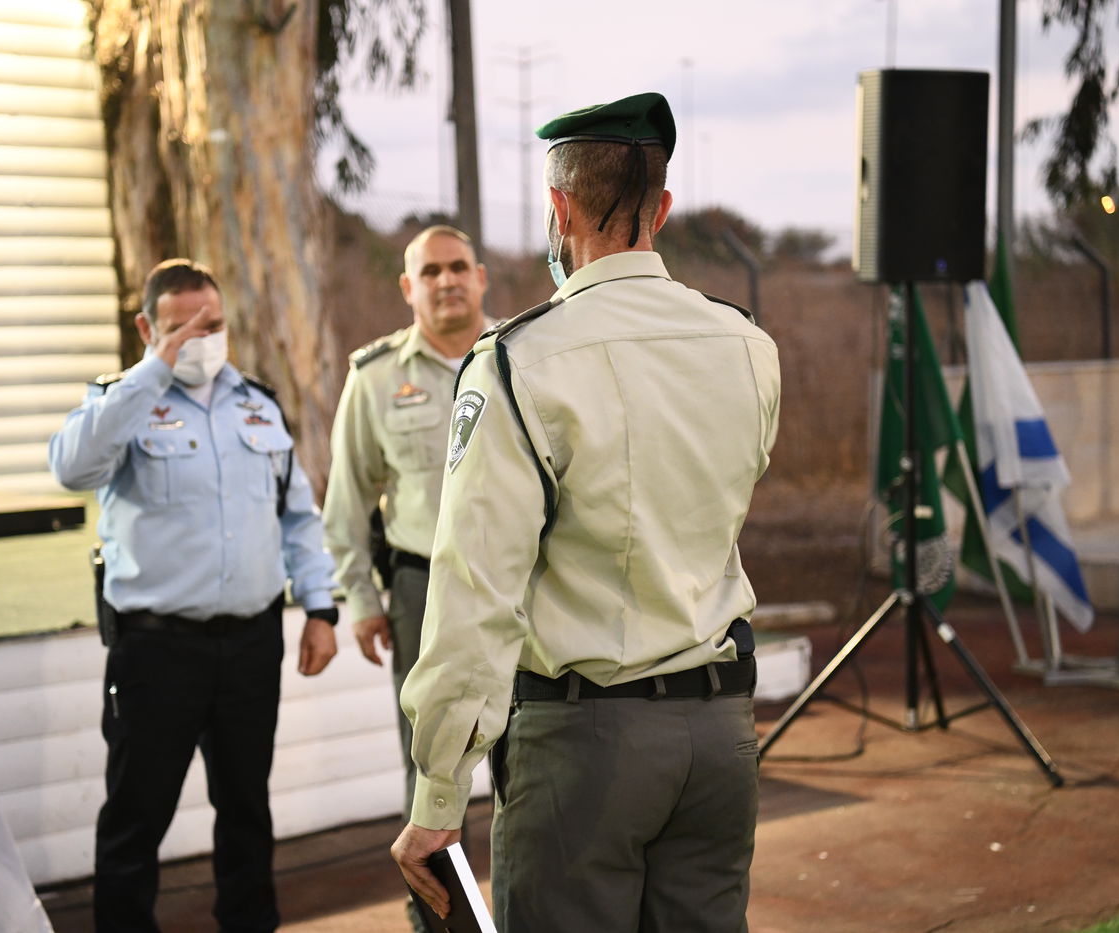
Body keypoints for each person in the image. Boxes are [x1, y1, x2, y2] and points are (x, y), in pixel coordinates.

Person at [390, 92, 781, 932]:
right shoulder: (748, 345)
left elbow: (474, 589)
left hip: (586, 743)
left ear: (559, 209)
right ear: (663, 208)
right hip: (721, 737)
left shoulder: (520, 360)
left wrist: (437, 791)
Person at [49, 259, 340, 933]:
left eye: (211, 324)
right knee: (136, 817)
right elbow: (70, 466)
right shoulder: (119, 404)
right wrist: (153, 368)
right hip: (156, 650)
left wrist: (320, 609)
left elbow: (297, 516)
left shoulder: (257, 404)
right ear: (147, 326)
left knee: (246, 810)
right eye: (180, 327)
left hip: (249, 644)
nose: (199, 339)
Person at [323, 225, 490, 814]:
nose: (446, 281)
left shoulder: (522, 360)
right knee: (430, 761)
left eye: (457, 267)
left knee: (536, 748)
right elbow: (346, 502)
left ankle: (527, 904)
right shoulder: (376, 378)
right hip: (423, 589)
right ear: (406, 287)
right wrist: (363, 601)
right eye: (430, 271)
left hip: (522, 582)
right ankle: (439, 910)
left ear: (480, 278)